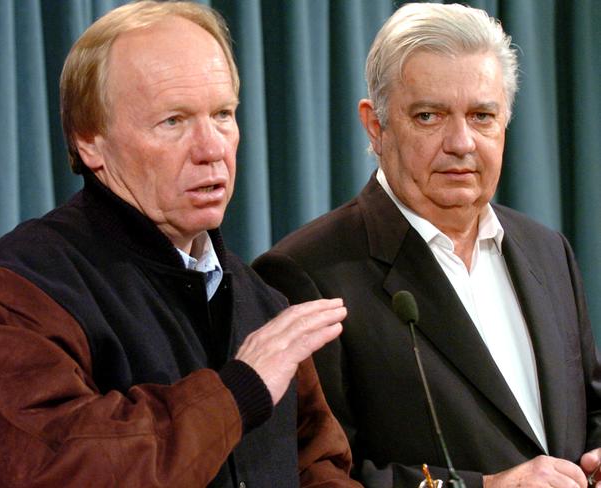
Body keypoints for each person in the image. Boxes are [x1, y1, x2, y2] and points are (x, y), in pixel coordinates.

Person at [0, 2, 361, 486]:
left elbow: (318, 467)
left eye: (223, 114)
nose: (212, 149)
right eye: (173, 121)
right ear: (90, 142)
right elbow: (59, 469)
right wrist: (237, 390)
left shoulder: (261, 301)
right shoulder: (3, 297)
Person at [253, 3, 601, 488]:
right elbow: (312, 474)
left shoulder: (548, 251)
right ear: (375, 126)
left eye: (482, 116)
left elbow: (589, 405)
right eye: (429, 116)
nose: (461, 142)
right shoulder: (305, 273)